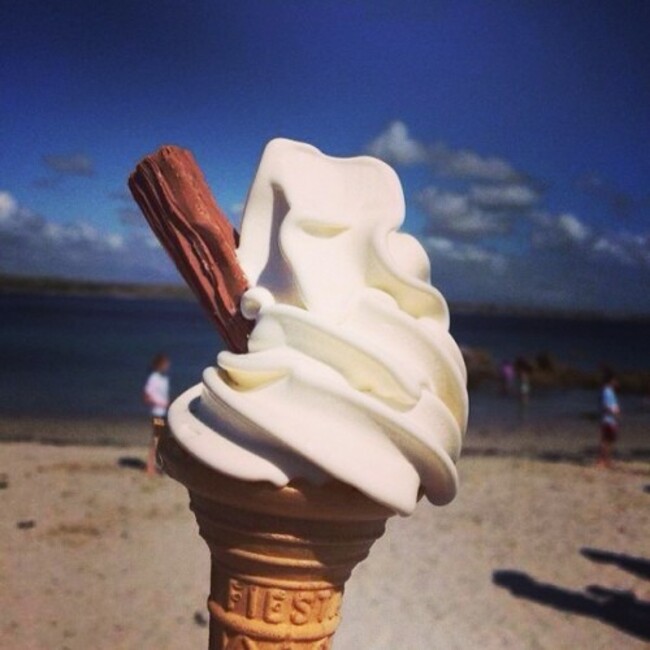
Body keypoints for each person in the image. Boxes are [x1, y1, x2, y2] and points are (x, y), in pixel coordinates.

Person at [143, 353, 171, 476]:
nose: (167, 365)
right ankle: (150, 466)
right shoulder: (154, 378)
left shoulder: (163, 379)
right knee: (157, 439)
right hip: (157, 414)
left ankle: (155, 465)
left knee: (161, 439)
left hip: (163, 413)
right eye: (165, 363)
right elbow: (147, 397)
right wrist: (161, 404)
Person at [597, 369, 620, 468]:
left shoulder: (609, 391)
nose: (616, 382)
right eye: (614, 380)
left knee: (609, 441)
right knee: (606, 441)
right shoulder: (607, 392)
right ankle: (603, 461)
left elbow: (611, 405)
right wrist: (614, 411)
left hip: (610, 420)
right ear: (611, 380)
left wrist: (615, 411)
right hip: (608, 420)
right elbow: (606, 406)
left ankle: (606, 460)